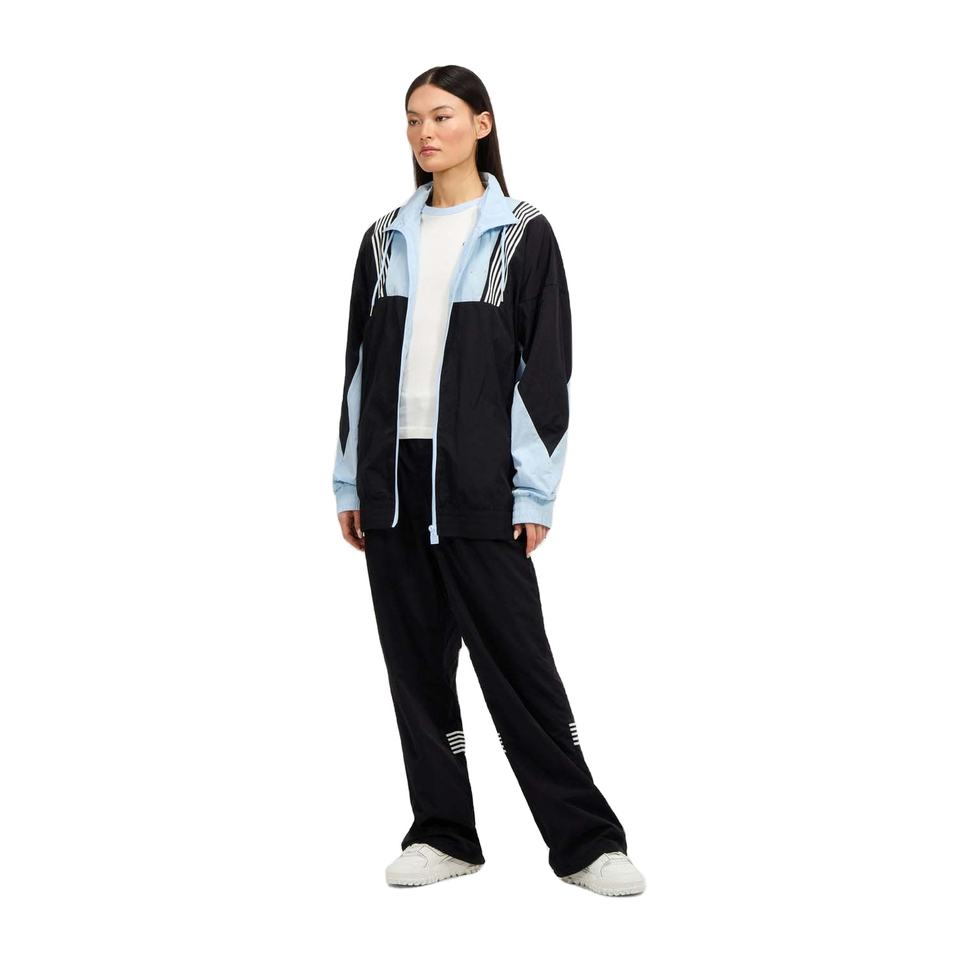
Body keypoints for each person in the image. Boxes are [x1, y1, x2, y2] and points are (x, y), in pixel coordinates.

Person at [332, 65, 645, 897]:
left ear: (481, 123)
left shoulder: (522, 234)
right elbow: (358, 369)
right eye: (412, 120)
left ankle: (587, 842)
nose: (424, 133)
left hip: (479, 483)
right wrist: (350, 482)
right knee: (415, 672)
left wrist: (532, 490)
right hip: (393, 480)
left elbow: (547, 372)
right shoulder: (384, 238)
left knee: (519, 667)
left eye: (441, 116)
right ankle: (444, 834)